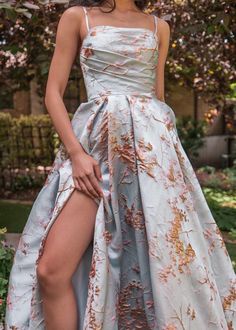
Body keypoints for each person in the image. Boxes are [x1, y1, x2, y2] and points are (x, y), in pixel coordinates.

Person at [5, 0, 236, 329]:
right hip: (93, 152)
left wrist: (167, 164)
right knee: (50, 270)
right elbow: (52, 94)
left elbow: (157, 98)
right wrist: (77, 154)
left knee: (152, 274)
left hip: (151, 159)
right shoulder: (77, 17)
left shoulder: (159, 27)